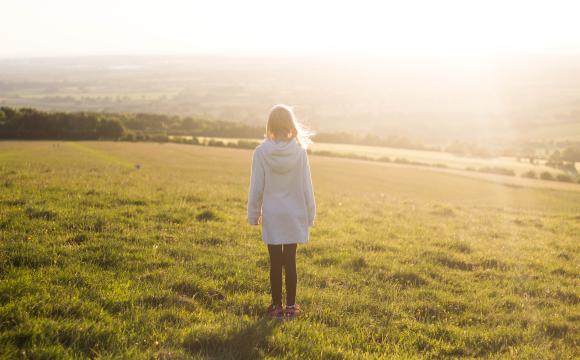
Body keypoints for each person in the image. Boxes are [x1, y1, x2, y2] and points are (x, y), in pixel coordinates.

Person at [247, 104, 316, 320]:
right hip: (294, 214)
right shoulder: (299, 152)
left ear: (270, 126)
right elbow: (307, 187)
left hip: (274, 215)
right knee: (291, 260)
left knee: (275, 261)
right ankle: (292, 306)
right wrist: (310, 214)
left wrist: (253, 214)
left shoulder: (261, 152)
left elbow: (256, 186)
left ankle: (276, 306)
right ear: (290, 126)